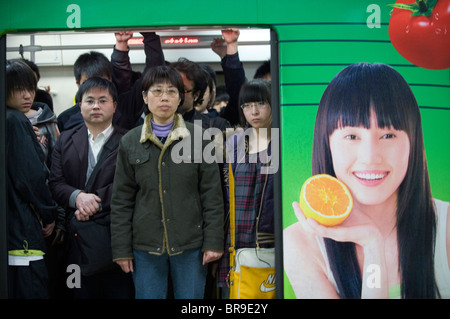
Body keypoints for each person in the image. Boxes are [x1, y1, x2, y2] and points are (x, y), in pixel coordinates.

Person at [283, 63, 450, 299]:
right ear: (327, 144)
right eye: (351, 136)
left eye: (388, 135)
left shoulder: (446, 227)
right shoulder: (299, 242)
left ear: (413, 142)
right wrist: (373, 246)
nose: (371, 157)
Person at [110, 65, 224, 299]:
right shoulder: (130, 141)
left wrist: (213, 241)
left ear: (181, 97)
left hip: (191, 244)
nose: (164, 97)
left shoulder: (200, 139)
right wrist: (121, 249)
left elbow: (212, 195)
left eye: (172, 91)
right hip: (145, 246)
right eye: (157, 91)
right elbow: (121, 200)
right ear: (144, 96)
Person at [49, 77, 133, 299]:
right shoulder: (65, 139)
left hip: (115, 241)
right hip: (74, 243)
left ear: (114, 105)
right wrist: (77, 198)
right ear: (80, 106)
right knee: (75, 291)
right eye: (90, 100)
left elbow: (132, 185)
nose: (96, 106)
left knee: (117, 292)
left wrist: (92, 201)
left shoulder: (128, 141)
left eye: (103, 100)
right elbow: (55, 183)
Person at [217, 79, 275, 298]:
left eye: (260, 103)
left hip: (269, 241)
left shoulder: (283, 143)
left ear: (272, 104)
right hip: (234, 240)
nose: (254, 111)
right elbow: (222, 198)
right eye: (247, 105)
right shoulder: (233, 143)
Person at [6, 59, 58, 299]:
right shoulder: (15, 120)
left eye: (30, 86)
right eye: (19, 88)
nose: (28, 94)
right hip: (21, 230)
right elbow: (31, 178)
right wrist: (49, 213)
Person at [211, 28, 246, 127]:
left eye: (225, 102)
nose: (222, 106)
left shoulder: (226, 119)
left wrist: (231, 46)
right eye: (218, 103)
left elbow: (237, 90)